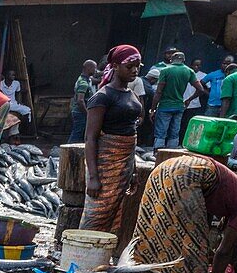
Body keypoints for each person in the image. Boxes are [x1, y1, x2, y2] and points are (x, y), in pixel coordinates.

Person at [133, 154, 237, 273]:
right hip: (184, 175)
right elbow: (223, 252)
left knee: (150, 228)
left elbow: (204, 223)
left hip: (163, 168)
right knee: (193, 252)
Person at [81, 45, 142, 235]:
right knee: (97, 213)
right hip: (106, 164)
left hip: (124, 162)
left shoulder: (130, 94)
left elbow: (130, 134)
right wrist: (93, 177)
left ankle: (102, 258)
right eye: (129, 66)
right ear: (115, 66)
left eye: (137, 66)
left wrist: (132, 169)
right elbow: (90, 139)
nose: (135, 70)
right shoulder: (103, 97)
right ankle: (82, 254)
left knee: (116, 211)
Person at [151, 52, 205, 148]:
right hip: (179, 106)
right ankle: (171, 152)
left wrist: (153, 109)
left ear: (171, 60)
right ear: (184, 60)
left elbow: (159, 92)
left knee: (161, 132)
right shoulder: (189, 71)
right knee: (175, 132)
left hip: (165, 106)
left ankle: (158, 153)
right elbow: (200, 89)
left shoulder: (165, 70)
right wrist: (189, 99)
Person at [69, 60, 98, 143]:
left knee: (79, 133)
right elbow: (80, 101)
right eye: (94, 68)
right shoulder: (83, 83)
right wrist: (87, 114)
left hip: (79, 112)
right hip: (80, 112)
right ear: (89, 68)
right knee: (77, 134)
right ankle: (69, 152)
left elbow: (94, 79)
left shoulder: (85, 78)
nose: (96, 70)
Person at [179, 57, 206, 138]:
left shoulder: (203, 75)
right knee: (181, 124)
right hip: (182, 102)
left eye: (199, 65)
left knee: (190, 125)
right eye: (195, 65)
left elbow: (205, 89)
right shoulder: (186, 73)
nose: (197, 67)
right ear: (191, 65)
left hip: (194, 104)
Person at [0, 69, 31, 133]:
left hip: (14, 103)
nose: (13, 76)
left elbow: (18, 92)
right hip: (5, 103)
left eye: (14, 75)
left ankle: (25, 130)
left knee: (27, 110)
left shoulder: (16, 83)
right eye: (12, 75)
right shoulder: (1, 84)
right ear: (6, 75)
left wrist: (19, 101)